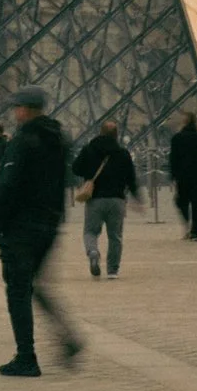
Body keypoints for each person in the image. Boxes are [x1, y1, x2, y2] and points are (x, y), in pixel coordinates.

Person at [0, 87, 79, 378]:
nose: (14, 113)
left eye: (16, 108)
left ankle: (26, 356)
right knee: (36, 286)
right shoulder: (58, 138)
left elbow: (8, 185)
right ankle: (68, 337)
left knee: (18, 289)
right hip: (50, 222)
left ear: (26, 110)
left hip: (21, 226)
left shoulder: (23, 139)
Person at [72, 118, 140, 278]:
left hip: (95, 198)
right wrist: (137, 197)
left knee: (90, 231)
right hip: (117, 199)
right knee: (115, 236)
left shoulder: (89, 149)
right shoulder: (123, 153)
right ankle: (112, 270)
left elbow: (76, 168)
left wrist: (88, 174)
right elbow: (131, 177)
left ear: (100, 132)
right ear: (116, 135)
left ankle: (93, 251)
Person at [169, 113, 197, 241]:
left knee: (181, 201)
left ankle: (186, 223)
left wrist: (173, 175)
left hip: (183, 175)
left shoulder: (177, 138)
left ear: (184, 123)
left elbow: (173, 159)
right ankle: (195, 230)